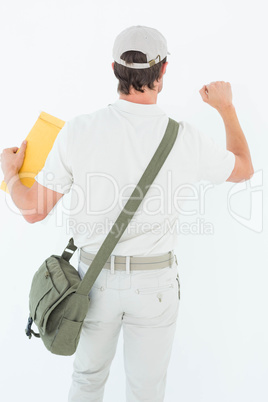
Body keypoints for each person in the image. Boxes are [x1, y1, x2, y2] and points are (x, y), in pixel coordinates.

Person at [0, 25, 254, 402]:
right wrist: (226, 107)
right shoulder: (185, 137)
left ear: (114, 70)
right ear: (163, 71)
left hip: (91, 283)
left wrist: (9, 173)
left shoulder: (79, 130)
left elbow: (32, 210)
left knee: (87, 381)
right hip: (155, 286)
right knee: (146, 392)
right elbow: (244, 168)